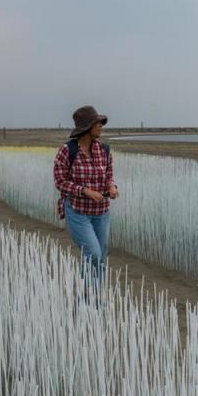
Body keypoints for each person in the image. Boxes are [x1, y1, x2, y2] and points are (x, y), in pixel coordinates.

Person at [53, 105, 119, 287]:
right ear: (86, 128)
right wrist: (84, 191)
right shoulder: (67, 151)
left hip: (101, 213)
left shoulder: (104, 150)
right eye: (97, 123)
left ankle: (93, 301)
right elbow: (60, 182)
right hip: (78, 212)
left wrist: (112, 187)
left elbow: (108, 176)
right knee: (93, 254)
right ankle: (87, 300)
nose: (101, 126)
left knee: (100, 257)